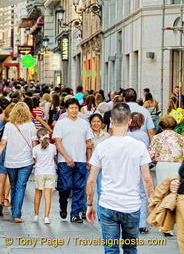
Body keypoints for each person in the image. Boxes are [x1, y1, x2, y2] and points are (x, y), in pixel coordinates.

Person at [86, 103, 154, 254]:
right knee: (130, 248)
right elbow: (147, 179)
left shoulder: (102, 147)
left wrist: (89, 204)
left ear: (111, 121)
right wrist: (152, 203)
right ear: (129, 121)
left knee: (111, 249)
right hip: (131, 205)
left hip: (108, 204)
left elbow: (91, 180)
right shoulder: (139, 147)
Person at [0, 102, 37, 223]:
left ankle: (15, 210)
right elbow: (34, 144)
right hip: (26, 161)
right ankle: (16, 213)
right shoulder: (31, 126)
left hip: (10, 161)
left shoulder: (9, 125)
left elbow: (3, 143)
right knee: (20, 186)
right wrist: (36, 158)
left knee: (14, 186)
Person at [53, 97, 93, 223]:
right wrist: (66, 157)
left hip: (80, 159)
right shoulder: (61, 123)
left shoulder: (84, 123)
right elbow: (58, 142)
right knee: (65, 187)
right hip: (64, 161)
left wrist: (89, 159)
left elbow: (88, 142)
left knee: (79, 187)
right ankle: (63, 205)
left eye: (76, 108)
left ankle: (75, 213)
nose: (74, 110)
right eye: (71, 108)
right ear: (67, 109)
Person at [127, 112, 150, 234]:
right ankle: (142, 224)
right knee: (142, 195)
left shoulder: (126, 135)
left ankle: (129, 222)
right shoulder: (144, 135)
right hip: (141, 167)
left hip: (127, 168)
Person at [148, 115, 184, 184]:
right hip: (177, 164)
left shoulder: (157, 137)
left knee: (162, 187)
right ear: (174, 125)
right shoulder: (181, 138)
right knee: (175, 187)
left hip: (162, 165)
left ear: (161, 125)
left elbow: (151, 153)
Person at [0, 103, 15, 216]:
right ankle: (6, 197)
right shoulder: (15, 125)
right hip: (12, 153)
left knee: (0, 179)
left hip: (0, 153)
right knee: (9, 177)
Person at [32, 127, 56, 224]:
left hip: (39, 172)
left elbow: (35, 161)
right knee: (48, 195)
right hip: (50, 172)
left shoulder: (35, 149)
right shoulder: (53, 147)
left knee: (38, 194)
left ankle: (36, 214)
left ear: (38, 138)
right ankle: (46, 216)